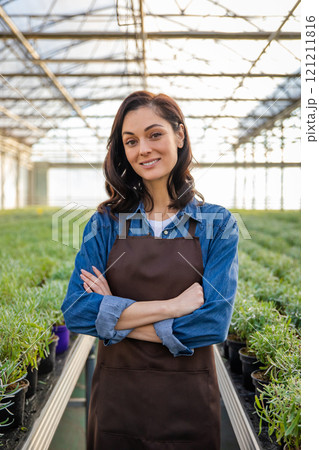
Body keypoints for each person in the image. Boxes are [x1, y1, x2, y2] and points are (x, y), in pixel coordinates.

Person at [61, 91, 239, 450]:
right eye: (131, 141)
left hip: (187, 403)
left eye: (154, 134)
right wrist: (174, 307)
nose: (143, 149)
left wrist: (113, 314)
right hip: (118, 404)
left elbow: (212, 323)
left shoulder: (217, 223)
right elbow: (77, 311)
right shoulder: (105, 223)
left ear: (180, 136)